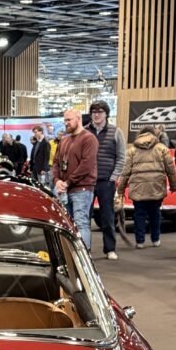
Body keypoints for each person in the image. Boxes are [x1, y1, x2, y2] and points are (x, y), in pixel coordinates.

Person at [117, 126, 176, 249]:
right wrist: (173, 185)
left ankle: (140, 241)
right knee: (155, 213)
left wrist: (120, 189)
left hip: (138, 187)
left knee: (139, 214)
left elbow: (125, 172)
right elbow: (170, 169)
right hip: (156, 186)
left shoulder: (132, 150)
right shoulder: (162, 148)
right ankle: (155, 239)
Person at [51, 109, 99, 251]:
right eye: (65, 120)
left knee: (81, 223)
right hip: (65, 189)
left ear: (78, 119)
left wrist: (67, 182)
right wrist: (57, 180)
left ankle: (84, 256)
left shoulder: (89, 139)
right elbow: (56, 162)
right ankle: (71, 256)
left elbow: (86, 165)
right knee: (66, 225)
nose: (66, 123)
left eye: (69, 120)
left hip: (82, 188)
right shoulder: (64, 140)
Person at [86, 100, 126, 261]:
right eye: (94, 112)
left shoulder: (116, 132)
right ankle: (84, 250)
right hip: (86, 181)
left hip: (106, 181)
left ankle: (110, 249)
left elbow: (121, 157)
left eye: (100, 112)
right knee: (84, 217)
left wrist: (113, 177)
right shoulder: (84, 132)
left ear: (106, 114)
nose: (96, 115)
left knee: (107, 216)